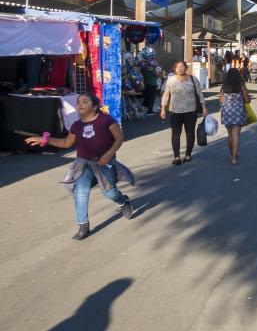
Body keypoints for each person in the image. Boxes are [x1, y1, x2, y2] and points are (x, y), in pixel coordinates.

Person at [25, 93, 134, 240]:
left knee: (110, 193)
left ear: (95, 106)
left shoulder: (105, 120)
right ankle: (83, 226)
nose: (80, 104)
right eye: (78, 102)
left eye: (84, 101)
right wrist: (46, 140)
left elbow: (119, 137)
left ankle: (123, 202)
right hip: (83, 164)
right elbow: (66, 143)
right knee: (80, 193)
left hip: (104, 162)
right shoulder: (76, 125)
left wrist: (109, 154)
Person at [160, 60, 208, 166]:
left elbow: (200, 93)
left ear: (185, 68)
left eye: (182, 66)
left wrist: (204, 107)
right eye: (178, 67)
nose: (180, 69)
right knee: (175, 134)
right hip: (175, 111)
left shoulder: (193, 79)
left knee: (190, 133)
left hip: (190, 110)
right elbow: (166, 94)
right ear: (174, 69)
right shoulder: (171, 80)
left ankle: (188, 154)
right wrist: (163, 108)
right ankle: (176, 157)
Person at [219, 67, 251, 165]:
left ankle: (232, 154)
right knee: (236, 134)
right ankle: (234, 157)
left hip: (227, 111)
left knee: (230, 134)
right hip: (238, 111)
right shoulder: (241, 85)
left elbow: (221, 101)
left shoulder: (224, 86)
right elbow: (247, 100)